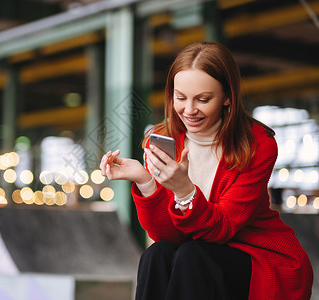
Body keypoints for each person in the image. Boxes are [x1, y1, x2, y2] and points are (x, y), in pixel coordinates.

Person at [99, 42, 313, 300]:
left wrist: (183, 190)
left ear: (227, 97)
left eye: (203, 99)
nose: (189, 111)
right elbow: (168, 235)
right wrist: (146, 182)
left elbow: (221, 229)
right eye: (180, 98)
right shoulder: (163, 139)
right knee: (157, 254)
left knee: (192, 254)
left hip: (255, 255)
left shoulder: (258, 144)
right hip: (197, 256)